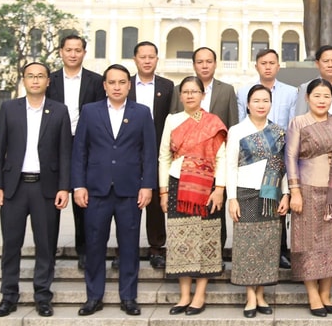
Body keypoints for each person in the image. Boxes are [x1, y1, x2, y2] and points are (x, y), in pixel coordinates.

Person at [71, 64, 156, 317]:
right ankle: (93, 297)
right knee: (95, 245)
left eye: (122, 82)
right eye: (112, 82)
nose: (117, 87)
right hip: (96, 189)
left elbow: (149, 153)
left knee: (129, 246)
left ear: (129, 85)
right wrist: (78, 185)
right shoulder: (90, 111)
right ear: (104, 85)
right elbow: (80, 151)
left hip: (130, 191)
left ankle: (128, 297)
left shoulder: (141, 113)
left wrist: (147, 185)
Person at [0, 62, 72, 318]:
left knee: (45, 246)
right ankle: (8, 296)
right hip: (14, 188)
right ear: (23, 80)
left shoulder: (59, 111)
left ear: (48, 81)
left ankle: (43, 297)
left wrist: (64, 187)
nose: (35, 81)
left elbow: (65, 153)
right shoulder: (9, 108)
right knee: (11, 245)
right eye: (30, 76)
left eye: (40, 76)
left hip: (45, 189)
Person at [159, 76, 228, 316]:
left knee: (206, 239)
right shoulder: (172, 120)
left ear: (202, 95)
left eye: (194, 91)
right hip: (178, 184)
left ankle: (199, 295)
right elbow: (164, 157)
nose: (190, 95)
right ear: (180, 95)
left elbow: (222, 158)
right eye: (186, 92)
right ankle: (184, 295)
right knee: (181, 240)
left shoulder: (212, 122)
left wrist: (220, 189)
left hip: (206, 187)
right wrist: (163, 191)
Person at [286, 78, 332, 317]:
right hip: (306, 191)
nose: (322, 100)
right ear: (307, 98)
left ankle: (326, 294)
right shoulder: (299, 123)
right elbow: (290, 158)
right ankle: (313, 296)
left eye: (326, 96)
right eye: (317, 96)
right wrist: (294, 191)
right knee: (307, 244)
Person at [226, 85, 289, 318]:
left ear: (271, 104)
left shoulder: (278, 132)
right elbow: (230, 166)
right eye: (256, 100)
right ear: (248, 104)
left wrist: (286, 194)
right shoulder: (237, 130)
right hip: (245, 193)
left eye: (265, 100)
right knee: (245, 246)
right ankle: (249, 296)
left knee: (267, 245)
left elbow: (282, 167)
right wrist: (231, 198)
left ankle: (261, 293)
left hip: (270, 195)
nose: (261, 104)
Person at [46, 34, 105, 270]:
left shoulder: (95, 81)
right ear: (60, 51)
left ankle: (85, 251)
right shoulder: (49, 80)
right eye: (68, 50)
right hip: (53, 146)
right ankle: (47, 252)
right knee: (52, 201)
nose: (72, 54)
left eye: (77, 50)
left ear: (84, 52)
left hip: (85, 146)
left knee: (83, 202)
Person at [171, 46, 238, 251]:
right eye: (200, 62)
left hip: (216, 162)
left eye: (209, 61)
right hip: (187, 166)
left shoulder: (226, 90)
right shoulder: (180, 89)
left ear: (215, 64)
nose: (204, 65)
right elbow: (175, 125)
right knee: (187, 214)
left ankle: (215, 253)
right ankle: (188, 254)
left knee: (215, 210)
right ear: (194, 65)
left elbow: (232, 125)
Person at [236, 47, 298, 269]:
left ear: (278, 66)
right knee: (253, 210)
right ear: (257, 66)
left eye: (272, 63)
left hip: (278, 155)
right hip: (252, 159)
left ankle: (280, 251)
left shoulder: (291, 93)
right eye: (264, 63)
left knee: (278, 207)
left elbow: (292, 124)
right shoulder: (243, 92)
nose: (268, 66)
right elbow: (242, 124)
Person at [128, 41, 175, 269]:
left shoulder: (167, 86)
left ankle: (157, 248)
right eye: (142, 57)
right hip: (127, 152)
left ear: (157, 59)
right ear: (135, 59)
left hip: (157, 152)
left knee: (156, 201)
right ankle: (127, 248)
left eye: (151, 57)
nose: (147, 61)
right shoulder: (124, 84)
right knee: (128, 201)